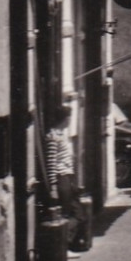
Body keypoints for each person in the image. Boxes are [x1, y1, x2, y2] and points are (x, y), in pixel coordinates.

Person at [44, 106, 80, 248]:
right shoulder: (53, 137)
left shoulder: (61, 135)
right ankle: (64, 246)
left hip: (67, 176)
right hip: (61, 177)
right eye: (69, 118)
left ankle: (66, 244)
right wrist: (53, 186)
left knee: (75, 212)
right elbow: (51, 163)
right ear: (65, 119)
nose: (70, 121)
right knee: (67, 213)